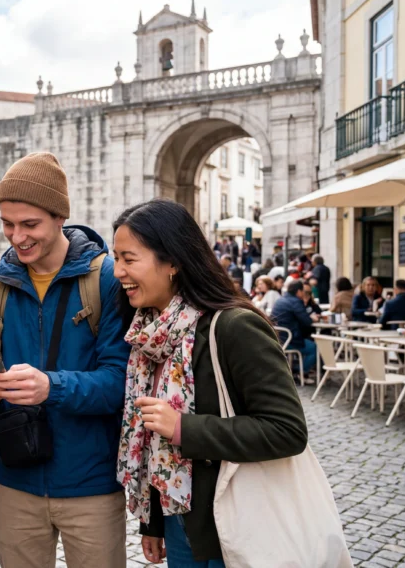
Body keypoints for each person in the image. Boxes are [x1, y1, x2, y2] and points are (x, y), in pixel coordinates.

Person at [110, 199, 308, 566]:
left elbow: (288, 430)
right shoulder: (149, 334)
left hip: (232, 526)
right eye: (116, 258)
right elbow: (153, 443)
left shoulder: (234, 326)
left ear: (173, 262)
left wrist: (185, 427)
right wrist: (152, 522)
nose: (118, 271)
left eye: (129, 258)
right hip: (180, 521)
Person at [0, 153, 131, 567]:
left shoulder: (107, 279)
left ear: (59, 217)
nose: (16, 237)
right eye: (7, 224)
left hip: (91, 482)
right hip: (16, 479)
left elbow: (121, 382)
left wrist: (50, 387)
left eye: (30, 224)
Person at [271, 280, 319, 376]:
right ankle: (299, 371)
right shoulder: (296, 301)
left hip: (278, 337)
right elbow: (307, 322)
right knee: (315, 348)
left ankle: (297, 370)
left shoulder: (280, 300)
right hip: (290, 339)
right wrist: (313, 319)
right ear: (298, 291)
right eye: (303, 291)